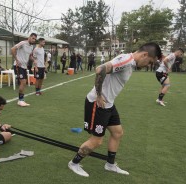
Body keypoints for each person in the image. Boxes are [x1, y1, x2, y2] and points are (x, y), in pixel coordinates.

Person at [68, 42, 162, 177]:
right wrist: (99, 95)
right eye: (149, 62)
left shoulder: (130, 63)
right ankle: (74, 163)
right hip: (97, 103)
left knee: (117, 133)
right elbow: (100, 69)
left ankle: (110, 165)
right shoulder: (126, 60)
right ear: (144, 54)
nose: (148, 65)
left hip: (109, 104)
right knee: (97, 140)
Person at [11, 33, 37, 107]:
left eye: (35, 39)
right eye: (33, 38)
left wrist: (34, 60)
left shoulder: (31, 46)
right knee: (23, 82)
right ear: (29, 37)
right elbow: (12, 49)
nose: (34, 40)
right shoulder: (23, 43)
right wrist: (17, 60)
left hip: (24, 67)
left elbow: (29, 56)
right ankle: (20, 101)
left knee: (24, 82)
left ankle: (21, 100)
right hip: (18, 65)